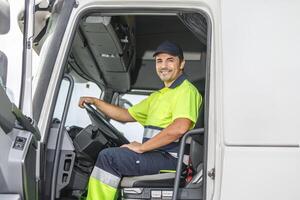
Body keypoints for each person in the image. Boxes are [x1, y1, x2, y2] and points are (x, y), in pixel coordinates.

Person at [78, 41, 202, 200]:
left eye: (170, 60)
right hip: (159, 156)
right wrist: (96, 102)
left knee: (109, 158)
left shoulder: (186, 90)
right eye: (159, 61)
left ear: (181, 63)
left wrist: (142, 148)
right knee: (118, 153)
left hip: (173, 161)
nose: (164, 65)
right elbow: (125, 114)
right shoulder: (158, 96)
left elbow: (179, 128)